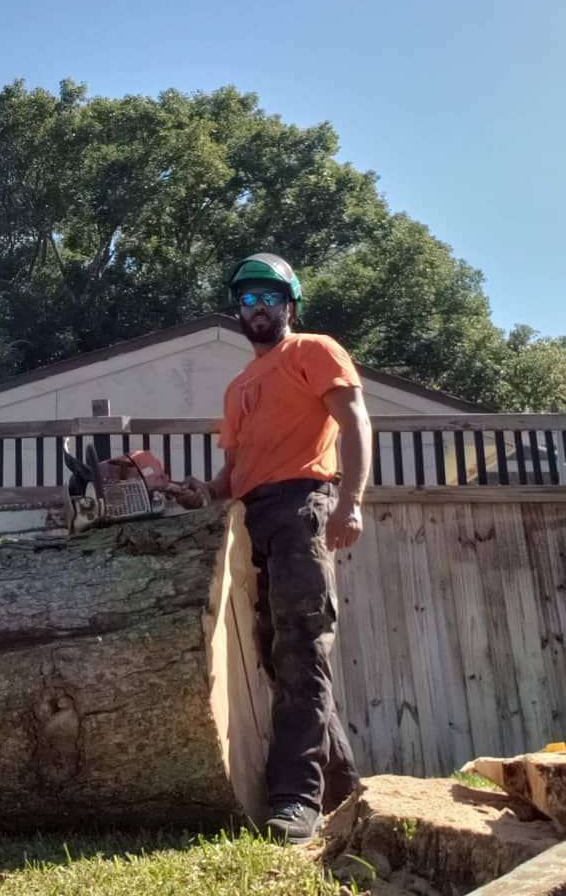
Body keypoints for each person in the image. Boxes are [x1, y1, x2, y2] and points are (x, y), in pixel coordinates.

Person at [186, 252, 371, 845]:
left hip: (302, 509)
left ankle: (294, 799)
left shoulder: (314, 350)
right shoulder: (239, 386)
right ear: (238, 312)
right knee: (277, 659)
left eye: (269, 296)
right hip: (251, 519)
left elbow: (355, 421)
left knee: (300, 651)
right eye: (247, 299)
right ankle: (348, 794)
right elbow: (232, 473)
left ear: (289, 304)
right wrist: (196, 492)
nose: (258, 307)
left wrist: (351, 502)